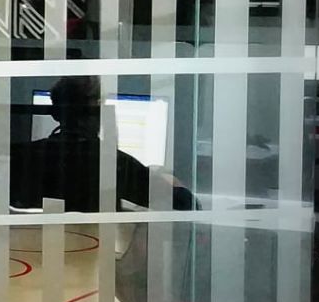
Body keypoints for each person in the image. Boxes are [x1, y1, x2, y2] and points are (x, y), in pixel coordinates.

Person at [11, 75, 196, 213]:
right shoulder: (113, 164)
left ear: (55, 113)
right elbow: (186, 204)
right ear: (98, 112)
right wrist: (170, 183)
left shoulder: (22, 158)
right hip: (93, 251)